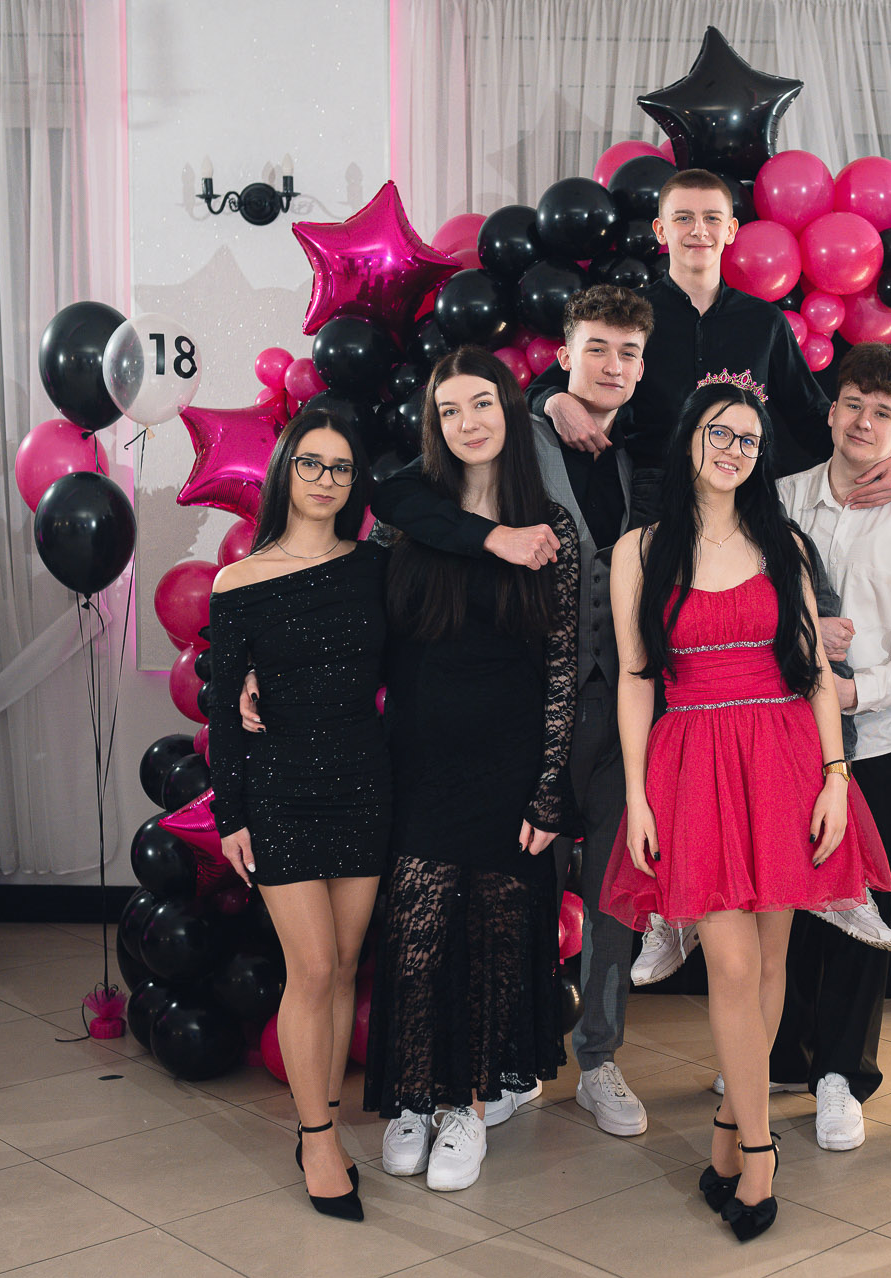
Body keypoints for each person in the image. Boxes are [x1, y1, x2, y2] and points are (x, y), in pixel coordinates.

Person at [600, 377, 891, 1243]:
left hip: (783, 758)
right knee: (728, 965)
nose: (734, 450)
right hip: (692, 760)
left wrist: (836, 776)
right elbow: (635, 678)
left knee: (769, 962)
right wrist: (636, 794)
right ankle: (760, 1153)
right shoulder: (639, 550)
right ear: (690, 437)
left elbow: (812, 669)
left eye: (749, 440)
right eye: (720, 433)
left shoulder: (783, 541)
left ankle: (731, 1128)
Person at [367, 285, 657, 1141]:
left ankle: (596, 1058)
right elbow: (398, 496)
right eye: (596, 347)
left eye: (628, 352)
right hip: (518, 719)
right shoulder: (513, 429)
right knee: (503, 898)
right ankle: (496, 1065)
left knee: (611, 894)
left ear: (644, 366)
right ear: (562, 355)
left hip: (621, 708)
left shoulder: (647, 453)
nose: (612, 366)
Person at [367, 347, 580, 1192]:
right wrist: (493, 538)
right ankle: (413, 1095)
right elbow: (386, 501)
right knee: (415, 933)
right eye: (449, 410)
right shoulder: (411, 513)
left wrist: (550, 788)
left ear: (510, 408)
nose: (467, 422)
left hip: (508, 761)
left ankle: (467, 1106)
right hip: (418, 758)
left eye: (481, 403)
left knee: (492, 937)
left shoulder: (553, 529)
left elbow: (562, 667)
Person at [766, 344, 891, 1152]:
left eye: (884, 413)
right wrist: (798, 630)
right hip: (776, 736)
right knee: (776, 899)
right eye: (853, 404)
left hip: (872, 744)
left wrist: (850, 692)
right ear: (832, 410)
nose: (864, 422)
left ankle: (842, 1072)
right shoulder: (774, 498)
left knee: (857, 911)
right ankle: (779, 1052)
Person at [207, 406, 388, 1223]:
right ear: (285, 472)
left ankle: (330, 1121)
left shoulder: (375, 567)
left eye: (340, 467)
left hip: (364, 779)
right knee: (311, 967)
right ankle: (315, 1139)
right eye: (310, 463)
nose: (325, 479)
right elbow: (222, 710)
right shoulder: (238, 582)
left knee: (345, 966)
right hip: (279, 785)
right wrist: (231, 814)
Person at [533, 169, 891, 511]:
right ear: (661, 230)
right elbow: (538, 389)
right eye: (683, 218)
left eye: (712, 218)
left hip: (743, 493)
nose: (698, 230)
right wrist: (556, 401)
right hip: (652, 494)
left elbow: (812, 417)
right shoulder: (630, 316)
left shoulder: (765, 321)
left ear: (730, 230)